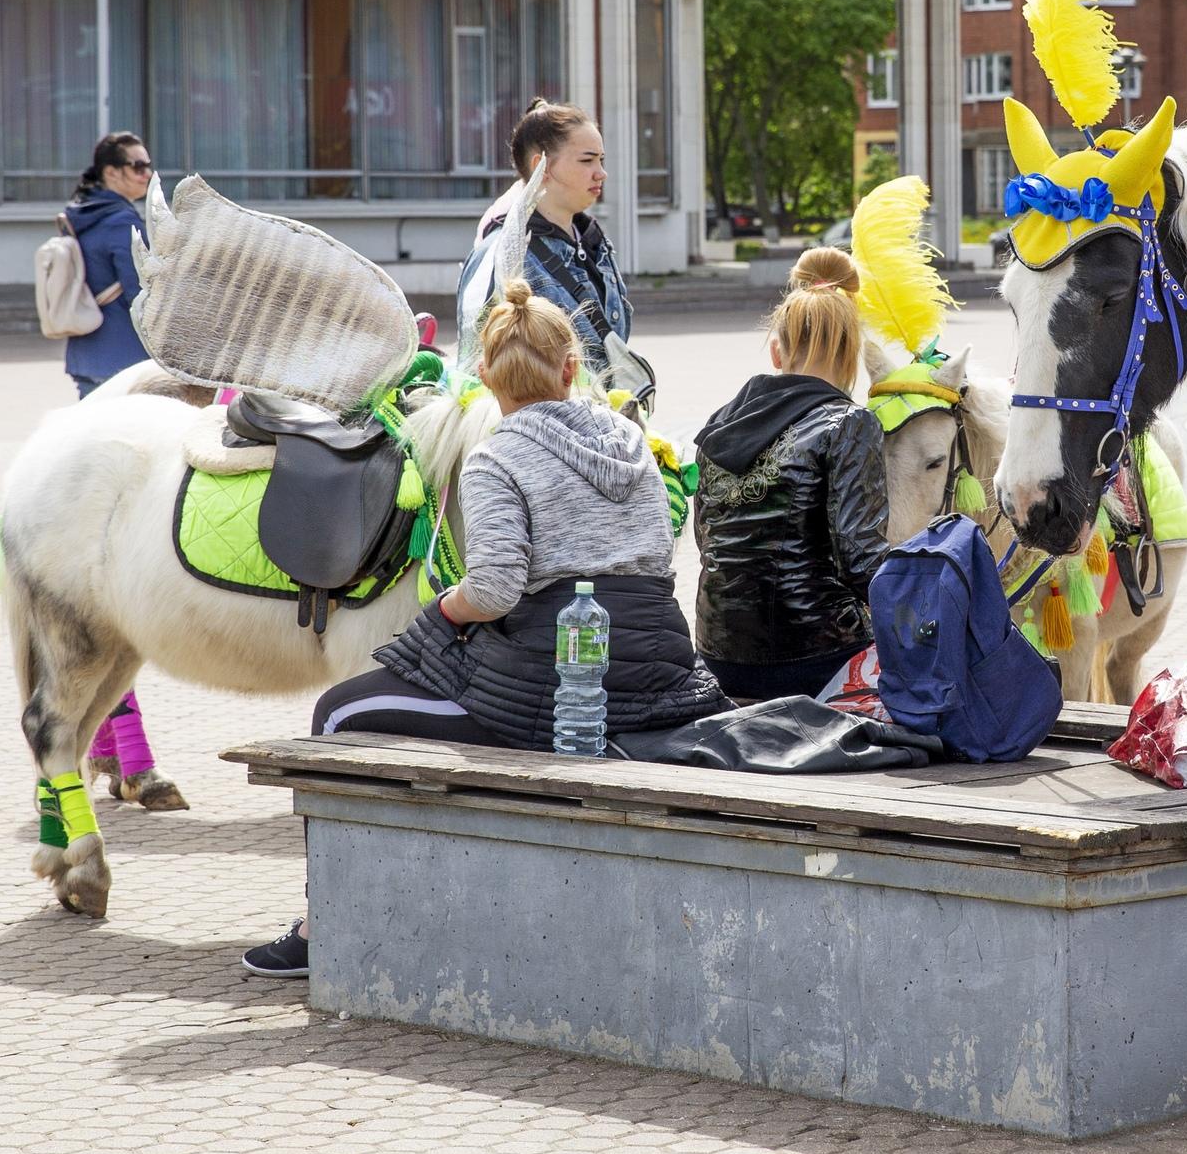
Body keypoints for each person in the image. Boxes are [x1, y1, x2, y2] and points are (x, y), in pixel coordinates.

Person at [243, 281, 724, 978]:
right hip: (659, 673)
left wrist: (441, 614)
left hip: (558, 682)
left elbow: (495, 589)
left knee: (340, 711)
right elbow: (657, 559)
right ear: (571, 368)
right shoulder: (632, 442)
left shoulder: (500, 457)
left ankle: (329, 923)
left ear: (490, 383)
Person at [688, 249, 893, 701]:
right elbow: (863, 562)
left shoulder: (720, 424)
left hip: (719, 655)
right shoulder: (849, 423)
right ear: (852, 351)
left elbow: (709, 544)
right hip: (814, 659)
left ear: (777, 352)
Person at [455, 103, 631, 378]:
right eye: (587, 160)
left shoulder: (594, 244)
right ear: (541, 165)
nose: (601, 172)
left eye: (601, 160)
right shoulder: (502, 252)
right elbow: (473, 368)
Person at [62, 131, 154, 397]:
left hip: (88, 351)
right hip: (125, 361)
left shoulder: (82, 215)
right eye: (138, 166)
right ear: (111, 172)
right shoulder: (121, 223)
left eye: (147, 165)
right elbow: (142, 294)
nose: (146, 173)